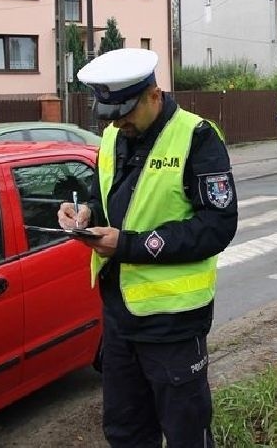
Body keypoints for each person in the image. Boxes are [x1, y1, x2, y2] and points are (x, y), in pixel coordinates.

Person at [57, 48, 238, 448]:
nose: (119, 123)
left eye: (126, 113)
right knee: (125, 431)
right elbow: (107, 196)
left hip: (173, 323)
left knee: (186, 434)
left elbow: (217, 226)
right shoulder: (114, 135)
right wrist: (83, 211)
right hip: (119, 319)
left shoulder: (198, 137)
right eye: (111, 115)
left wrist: (129, 245)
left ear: (154, 95)